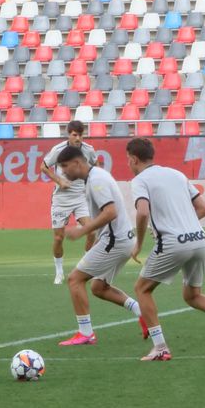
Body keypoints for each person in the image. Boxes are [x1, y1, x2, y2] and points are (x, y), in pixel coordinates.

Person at [127, 138, 205, 361]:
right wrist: (182, 225)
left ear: (133, 158)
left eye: (128, 159)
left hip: (173, 242)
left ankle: (160, 347)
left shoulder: (140, 180)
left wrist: (138, 243)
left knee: (142, 289)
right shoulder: (177, 174)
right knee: (192, 295)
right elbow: (203, 208)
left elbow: (142, 213)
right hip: (199, 239)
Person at [53, 145, 149, 346]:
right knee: (98, 287)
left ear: (77, 163)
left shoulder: (96, 180)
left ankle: (86, 333)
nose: (62, 171)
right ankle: (142, 312)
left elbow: (110, 212)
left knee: (74, 279)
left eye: (64, 166)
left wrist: (82, 231)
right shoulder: (95, 177)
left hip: (116, 240)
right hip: (121, 238)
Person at [42, 120, 99, 285]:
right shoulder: (58, 150)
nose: (78, 138)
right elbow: (43, 167)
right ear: (69, 134)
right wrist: (60, 181)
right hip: (61, 199)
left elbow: (96, 166)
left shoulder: (88, 150)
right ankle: (59, 272)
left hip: (81, 197)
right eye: (75, 135)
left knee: (92, 232)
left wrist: (93, 184)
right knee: (59, 238)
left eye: (81, 135)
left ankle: (85, 267)